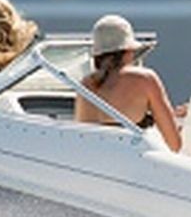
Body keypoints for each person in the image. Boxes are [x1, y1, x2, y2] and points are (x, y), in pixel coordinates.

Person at [75, 14, 182, 152]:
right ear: (128, 52)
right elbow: (174, 144)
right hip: (129, 168)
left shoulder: (85, 85)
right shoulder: (145, 79)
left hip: (91, 166)